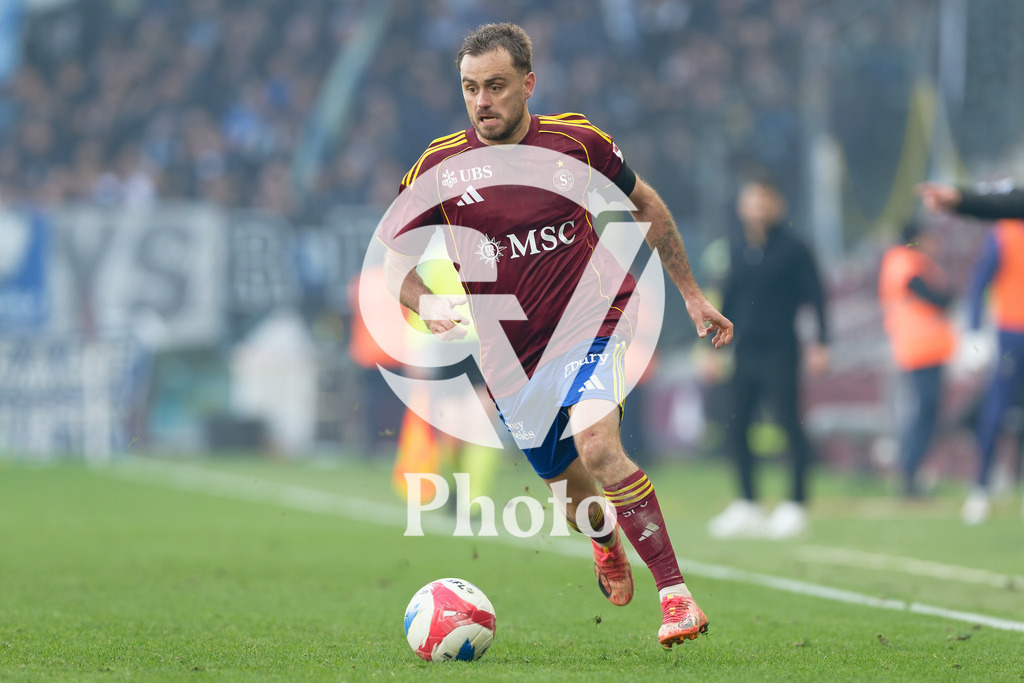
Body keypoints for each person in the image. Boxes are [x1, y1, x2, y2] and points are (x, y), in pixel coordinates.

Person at [376, 22, 733, 647]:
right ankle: (605, 543)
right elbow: (391, 262)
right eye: (469, 89)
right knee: (575, 495)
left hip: (593, 325)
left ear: (528, 84)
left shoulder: (575, 142)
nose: (482, 101)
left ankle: (676, 596)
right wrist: (427, 303)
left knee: (598, 447)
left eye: (495, 86)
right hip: (512, 361)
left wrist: (691, 294)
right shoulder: (439, 168)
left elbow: (646, 205)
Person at [706, 176, 829, 540]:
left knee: (788, 424)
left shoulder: (794, 249)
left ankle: (796, 504)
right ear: (742, 207)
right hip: (745, 351)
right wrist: (713, 346)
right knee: (736, 424)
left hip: (781, 349)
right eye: (752, 200)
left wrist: (822, 342)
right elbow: (728, 299)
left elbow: (817, 297)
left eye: (765, 200)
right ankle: (747, 503)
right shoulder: (737, 249)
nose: (758, 207)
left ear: (778, 205)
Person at [918, 181, 1024, 524]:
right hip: (1012, 334)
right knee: (996, 407)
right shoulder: (1005, 232)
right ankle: (980, 488)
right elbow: (980, 284)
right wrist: (975, 332)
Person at [877, 221, 957, 498]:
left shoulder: (907, 260)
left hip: (926, 348)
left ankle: (911, 473)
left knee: (926, 413)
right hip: (919, 348)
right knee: (924, 412)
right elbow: (930, 295)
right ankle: (909, 474)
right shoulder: (905, 261)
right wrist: (948, 296)